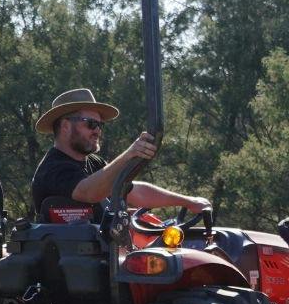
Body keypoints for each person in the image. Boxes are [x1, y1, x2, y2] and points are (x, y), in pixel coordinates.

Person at [30, 88, 210, 222]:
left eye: (100, 125)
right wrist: (129, 154)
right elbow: (89, 192)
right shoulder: (52, 170)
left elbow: (134, 191)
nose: (97, 131)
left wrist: (189, 202)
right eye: (91, 124)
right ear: (65, 126)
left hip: (102, 259)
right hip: (69, 266)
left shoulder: (94, 163)